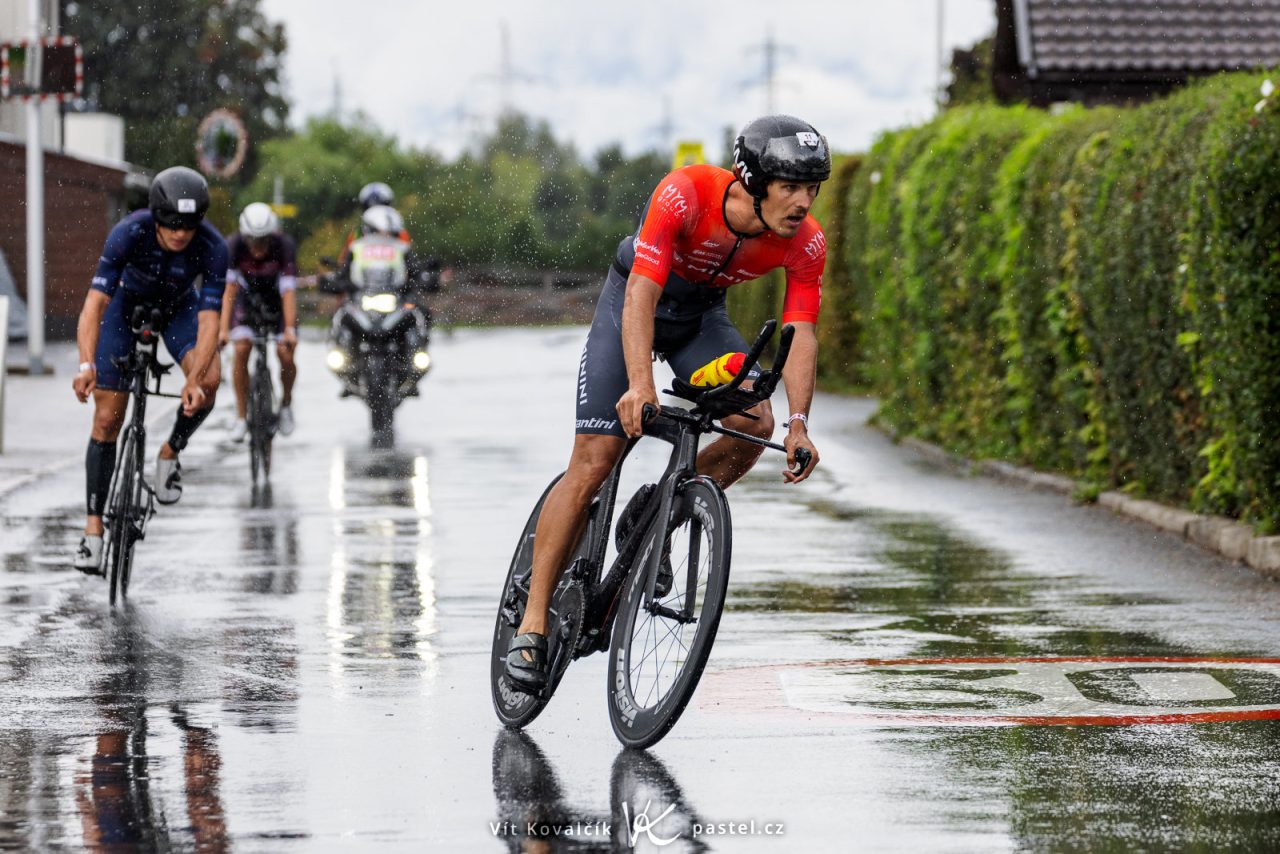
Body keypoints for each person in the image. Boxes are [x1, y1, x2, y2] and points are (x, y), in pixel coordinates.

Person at [504, 115, 831, 691]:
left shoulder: (805, 242)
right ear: (752, 180)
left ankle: (657, 509)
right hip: (631, 304)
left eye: (813, 188)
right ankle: (532, 627)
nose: (804, 202)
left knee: (755, 420)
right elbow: (642, 292)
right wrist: (639, 384)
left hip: (700, 325)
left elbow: (801, 331)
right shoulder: (685, 194)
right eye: (791, 187)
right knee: (595, 459)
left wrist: (801, 425)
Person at [71, 166, 228, 573]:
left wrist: (193, 380)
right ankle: (93, 531)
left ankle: (170, 451)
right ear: (155, 217)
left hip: (179, 308)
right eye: (171, 224)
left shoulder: (213, 247)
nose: (179, 234)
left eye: (189, 225)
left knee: (211, 381)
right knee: (107, 417)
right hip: (127, 307)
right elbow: (95, 304)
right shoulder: (129, 231)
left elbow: (211, 320)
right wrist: (86, 364)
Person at [220, 202, 299, 441]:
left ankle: (285, 404)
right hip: (247, 302)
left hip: (276, 302)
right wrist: (223, 330)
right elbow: (230, 291)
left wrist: (289, 330)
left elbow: (288, 292)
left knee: (285, 353)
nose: (258, 247)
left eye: (263, 240)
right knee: (241, 348)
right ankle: (242, 417)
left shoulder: (284, 246)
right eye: (252, 241)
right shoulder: (233, 245)